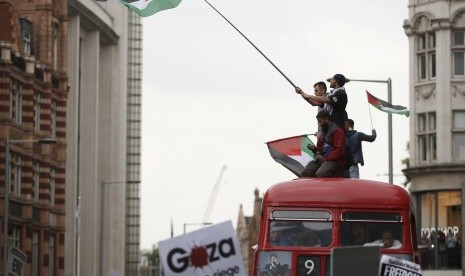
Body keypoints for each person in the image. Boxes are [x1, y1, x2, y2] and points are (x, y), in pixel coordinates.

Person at [301, 109, 346, 177]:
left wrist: (326, 159)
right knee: (305, 172)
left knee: (321, 173)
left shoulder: (338, 132)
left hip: (334, 161)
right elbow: (320, 149)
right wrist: (314, 149)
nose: (319, 124)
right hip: (321, 160)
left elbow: (338, 150)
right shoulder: (322, 134)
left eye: (320, 121)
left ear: (326, 119)